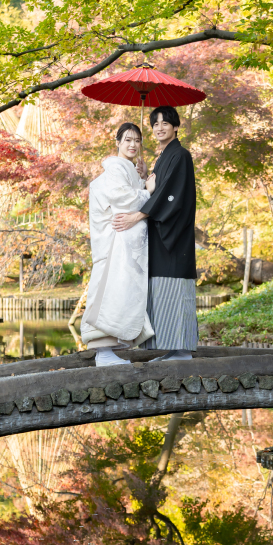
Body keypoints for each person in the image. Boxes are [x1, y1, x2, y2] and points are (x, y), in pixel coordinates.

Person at [112, 106, 198, 360]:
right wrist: (144, 175)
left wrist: (137, 216)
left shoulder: (180, 155)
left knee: (174, 290)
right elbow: (155, 189)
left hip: (174, 237)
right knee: (161, 292)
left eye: (165, 123)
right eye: (155, 124)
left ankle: (181, 350)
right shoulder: (164, 157)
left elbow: (170, 194)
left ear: (176, 127)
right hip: (161, 237)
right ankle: (171, 349)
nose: (159, 128)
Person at [81, 123, 155, 366]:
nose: (133, 145)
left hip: (126, 242)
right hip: (116, 240)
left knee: (122, 291)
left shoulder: (128, 167)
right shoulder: (115, 167)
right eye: (128, 140)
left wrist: (141, 177)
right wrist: (147, 190)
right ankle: (103, 352)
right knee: (110, 291)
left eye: (137, 140)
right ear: (118, 142)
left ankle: (110, 350)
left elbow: (130, 191)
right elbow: (124, 200)